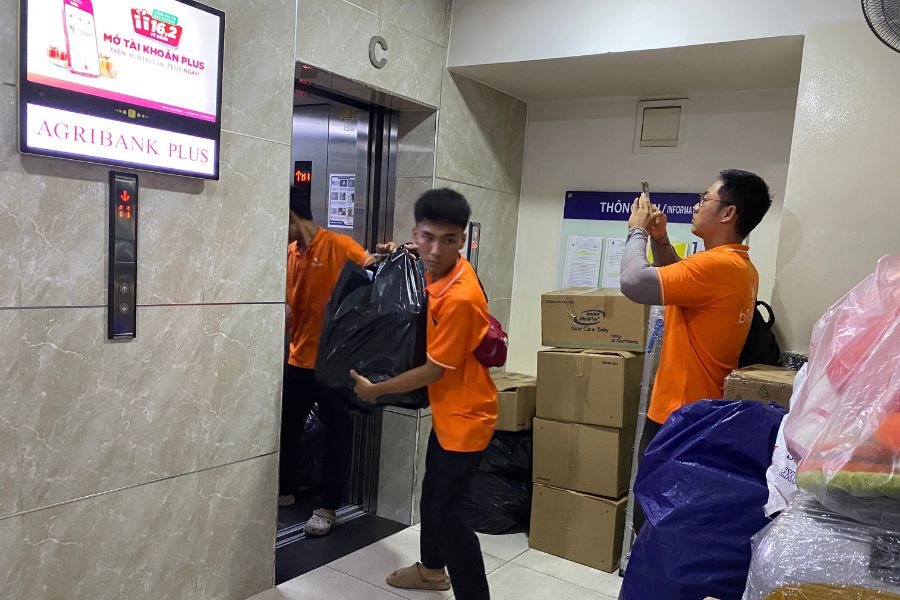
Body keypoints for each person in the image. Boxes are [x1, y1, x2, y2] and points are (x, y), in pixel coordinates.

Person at [350, 188, 496, 600]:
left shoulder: (461, 297)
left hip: (467, 422)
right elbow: (424, 260)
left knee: (450, 519)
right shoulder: (438, 267)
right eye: (427, 237)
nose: (435, 250)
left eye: (448, 240)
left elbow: (433, 370)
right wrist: (403, 252)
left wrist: (376, 391)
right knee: (434, 498)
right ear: (416, 232)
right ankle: (431, 572)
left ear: (462, 240)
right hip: (449, 415)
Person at [619, 169, 772, 535]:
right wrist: (660, 240)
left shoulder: (716, 265)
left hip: (679, 415)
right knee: (671, 519)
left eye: (705, 198)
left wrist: (637, 231)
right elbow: (681, 284)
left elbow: (634, 282)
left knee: (653, 521)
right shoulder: (739, 267)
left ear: (728, 213)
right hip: (701, 412)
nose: (696, 205)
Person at [281, 185, 382, 536]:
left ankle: (328, 506)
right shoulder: (291, 252)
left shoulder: (339, 246)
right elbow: (291, 308)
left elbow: (377, 281)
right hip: (298, 359)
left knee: (336, 435)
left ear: (291, 217)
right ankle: (285, 490)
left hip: (335, 364)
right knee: (287, 429)